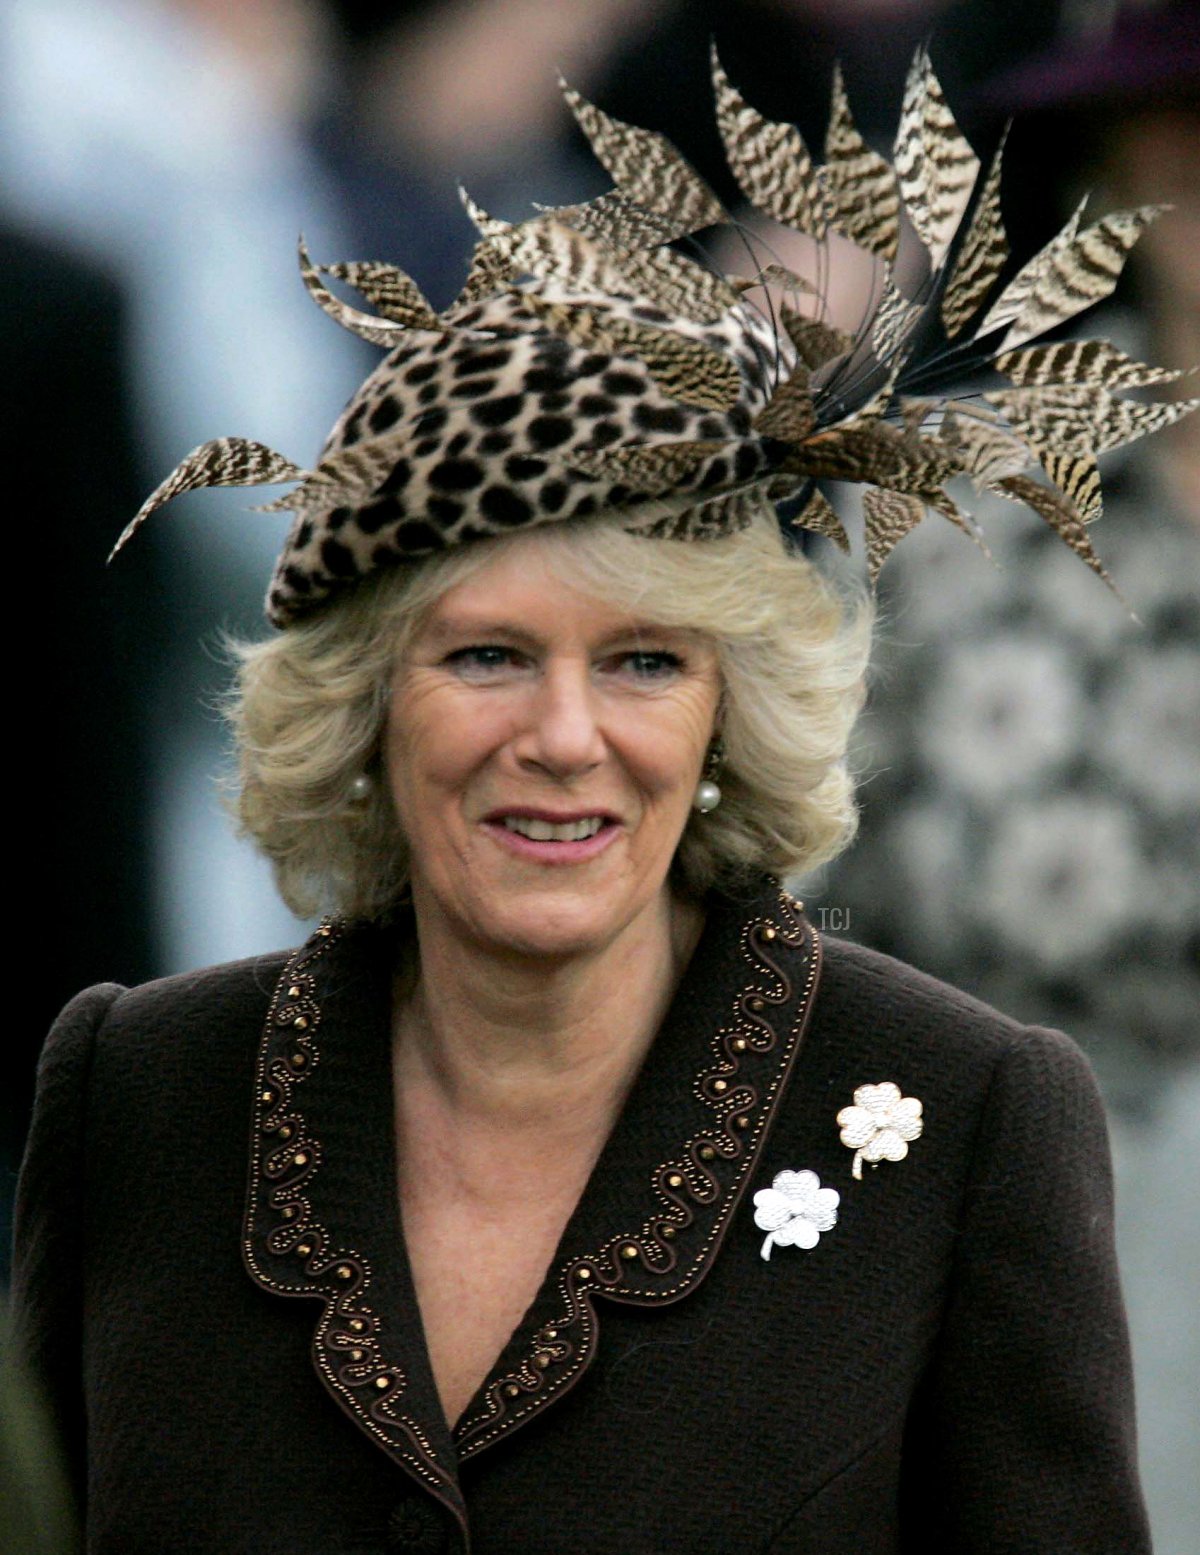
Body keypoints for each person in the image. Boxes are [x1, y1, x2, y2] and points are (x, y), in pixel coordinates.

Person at [13, 45, 1180, 1555]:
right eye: (487, 656)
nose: (565, 738)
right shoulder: (142, 1094)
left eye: (641, 663)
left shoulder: (963, 1120)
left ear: (728, 715)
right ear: (361, 704)